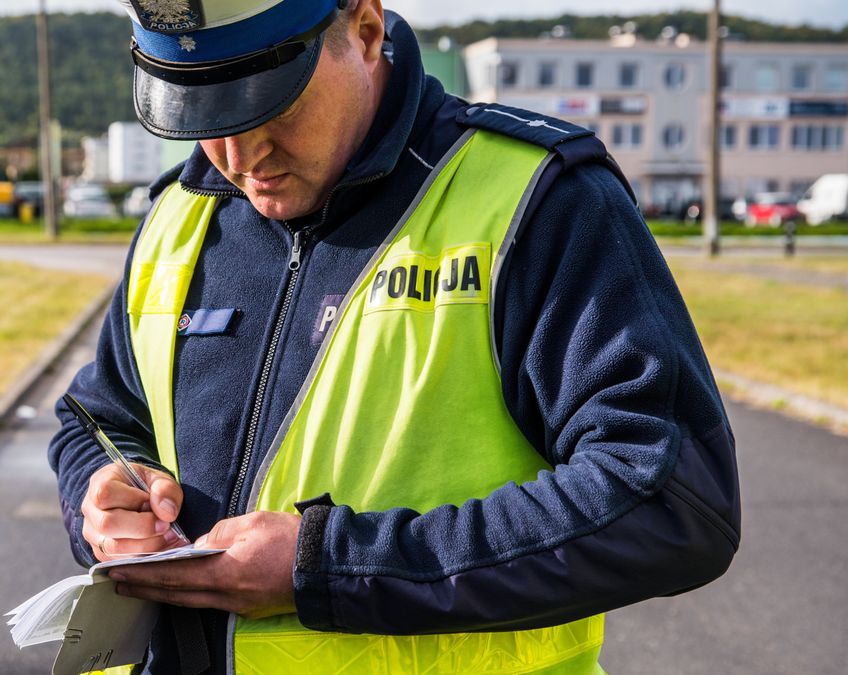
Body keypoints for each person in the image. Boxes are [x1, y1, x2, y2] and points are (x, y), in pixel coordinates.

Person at [49, 0, 741, 673]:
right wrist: (104, 494)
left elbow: (673, 497)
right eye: (204, 114)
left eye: (269, 104)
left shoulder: (540, 198)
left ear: (367, 28)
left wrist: (328, 565)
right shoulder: (180, 213)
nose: (240, 153)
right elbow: (97, 418)